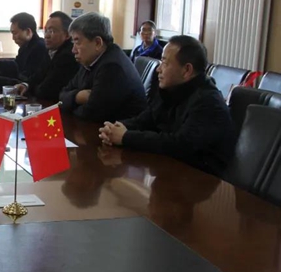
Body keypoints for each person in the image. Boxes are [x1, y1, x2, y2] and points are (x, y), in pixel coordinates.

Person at [98, 35, 236, 177]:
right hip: (169, 171)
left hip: (200, 180)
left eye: (165, 63)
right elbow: (146, 120)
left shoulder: (209, 103)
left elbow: (179, 145)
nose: (158, 69)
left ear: (187, 70)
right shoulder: (171, 90)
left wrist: (126, 137)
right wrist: (116, 128)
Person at [59, 13, 146, 122]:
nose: (73, 50)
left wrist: (70, 103)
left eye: (77, 42)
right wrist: (78, 97)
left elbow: (90, 114)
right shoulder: (90, 60)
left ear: (97, 43)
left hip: (121, 129)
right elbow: (62, 94)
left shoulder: (112, 67)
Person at [14, 11, 80, 104]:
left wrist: (32, 88)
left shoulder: (68, 55)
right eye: (46, 31)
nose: (47, 36)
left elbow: (46, 91)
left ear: (67, 35)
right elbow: (38, 75)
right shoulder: (50, 51)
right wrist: (26, 85)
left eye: (52, 31)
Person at [0, 12, 46, 83]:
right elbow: (16, 65)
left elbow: (24, 77)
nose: (13, 38)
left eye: (15, 33)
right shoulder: (25, 47)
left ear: (28, 32)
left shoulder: (39, 48)